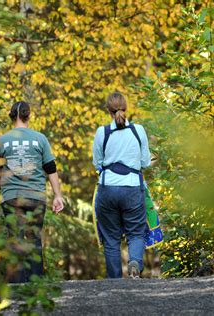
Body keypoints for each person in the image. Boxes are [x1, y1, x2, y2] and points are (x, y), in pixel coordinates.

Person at [0, 101, 64, 283]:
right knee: (34, 240)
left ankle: (16, 287)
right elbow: (51, 168)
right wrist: (58, 195)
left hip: (11, 197)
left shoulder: (3, 140)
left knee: (15, 240)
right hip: (36, 197)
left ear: (11, 115)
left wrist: (3, 189)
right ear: (28, 115)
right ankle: (35, 286)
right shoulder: (40, 139)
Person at [92, 92, 151, 278]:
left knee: (111, 239)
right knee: (136, 233)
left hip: (107, 188)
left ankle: (114, 281)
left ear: (108, 111)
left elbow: (97, 163)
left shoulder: (102, 132)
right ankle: (134, 262)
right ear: (126, 107)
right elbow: (145, 162)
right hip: (132, 187)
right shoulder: (138, 130)